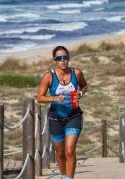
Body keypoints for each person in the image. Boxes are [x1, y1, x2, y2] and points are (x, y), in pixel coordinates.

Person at [37, 46, 88, 179]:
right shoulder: (49, 76)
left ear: (69, 58)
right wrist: (54, 98)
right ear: (55, 60)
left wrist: (81, 93)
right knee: (59, 152)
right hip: (55, 118)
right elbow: (39, 98)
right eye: (59, 58)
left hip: (74, 115)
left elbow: (84, 85)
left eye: (65, 57)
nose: (63, 60)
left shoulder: (76, 73)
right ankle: (64, 176)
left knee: (69, 150)